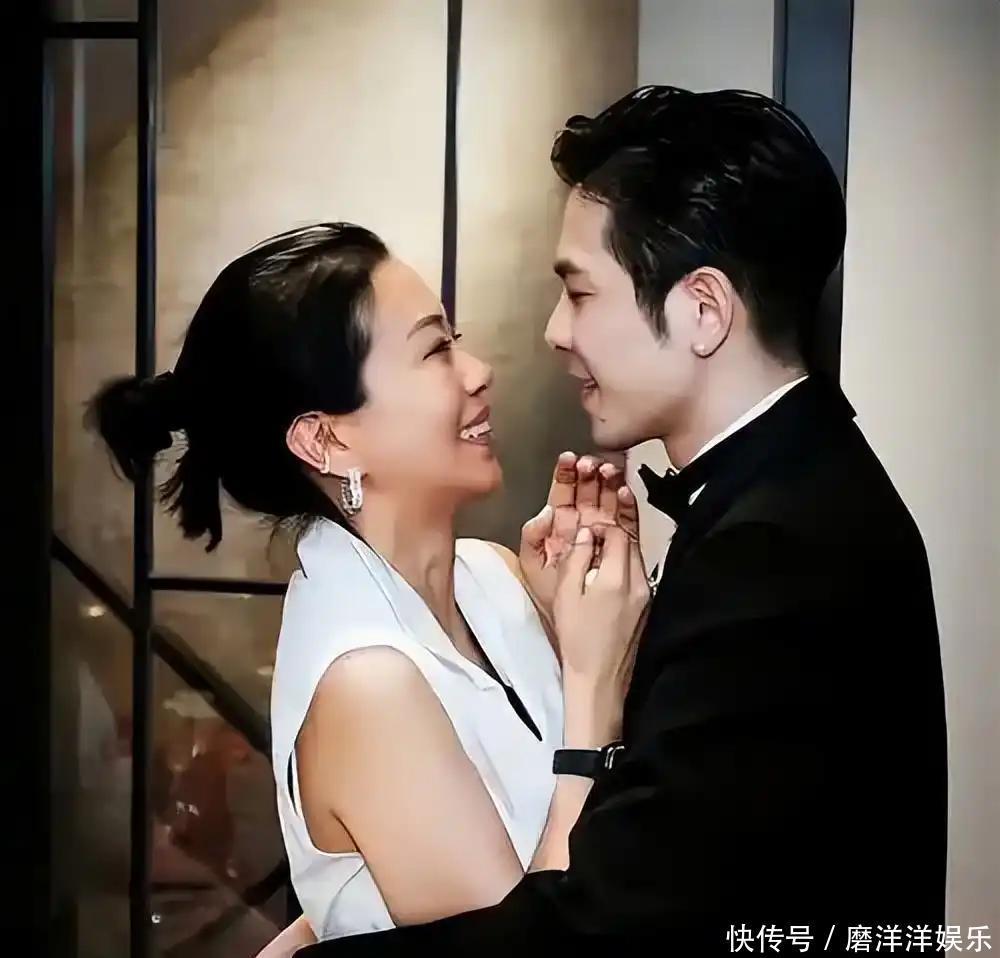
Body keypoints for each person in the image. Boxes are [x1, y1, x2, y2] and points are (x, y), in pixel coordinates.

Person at [298, 87, 948, 953]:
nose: (554, 332)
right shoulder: (791, 492)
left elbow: (617, 924)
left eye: (580, 293)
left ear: (703, 310)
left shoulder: (778, 549)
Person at [90, 223, 650, 946]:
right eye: (434, 351)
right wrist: (593, 687)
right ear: (326, 439)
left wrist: (563, 619)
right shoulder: (366, 683)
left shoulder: (495, 572)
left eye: (454, 339)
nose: (478, 371)